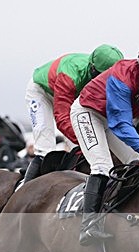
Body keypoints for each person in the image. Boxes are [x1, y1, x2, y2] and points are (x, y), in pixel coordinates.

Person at [70, 35, 139, 245]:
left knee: (136, 166)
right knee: (102, 165)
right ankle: (88, 226)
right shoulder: (123, 78)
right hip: (88, 113)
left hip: (112, 118)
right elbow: (121, 124)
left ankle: (122, 213)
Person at [23, 44, 124, 184]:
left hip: (71, 96)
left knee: (79, 148)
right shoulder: (70, 76)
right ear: (92, 68)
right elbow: (62, 118)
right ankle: (23, 189)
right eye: (102, 76)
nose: (105, 82)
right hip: (42, 93)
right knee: (45, 149)